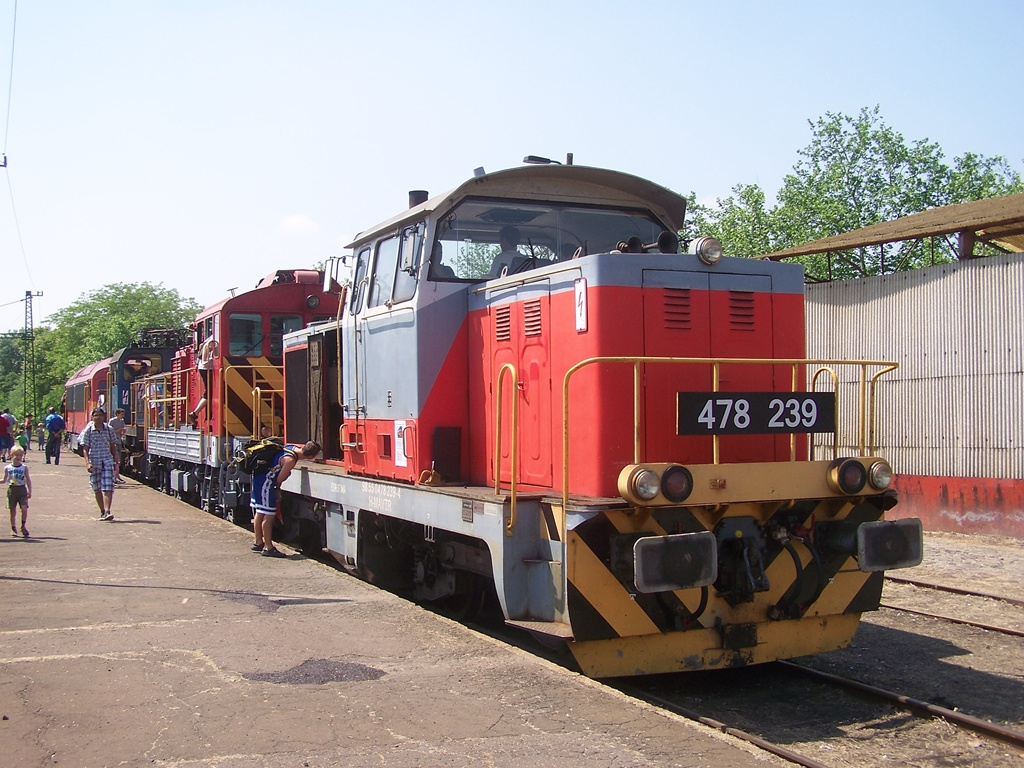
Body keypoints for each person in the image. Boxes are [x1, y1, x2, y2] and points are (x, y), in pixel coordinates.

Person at [250, 440, 321, 558]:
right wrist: (282, 483)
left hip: (258, 480)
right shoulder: (290, 461)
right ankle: (268, 547)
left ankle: (258, 541)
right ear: (310, 456)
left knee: (260, 511)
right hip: (266, 485)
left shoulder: (291, 447)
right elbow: (279, 479)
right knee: (269, 515)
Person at [80, 407, 119, 521]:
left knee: (108, 485)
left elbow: (112, 445)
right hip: (94, 461)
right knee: (97, 487)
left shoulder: (109, 429)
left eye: (100, 415)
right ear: (92, 417)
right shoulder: (88, 430)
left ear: (103, 417)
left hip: (106, 460)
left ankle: (107, 511)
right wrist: (87, 463)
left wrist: (115, 459)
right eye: (96, 415)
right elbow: (85, 448)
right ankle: (102, 511)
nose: (98, 417)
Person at [3, 446, 32, 537]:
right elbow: (4, 480)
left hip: (22, 489)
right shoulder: (8, 468)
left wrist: (30, 491)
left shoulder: (24, 467)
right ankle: (13, 528)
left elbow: (28, 479)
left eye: (20, 455)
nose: (18, 457)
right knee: (12, 510)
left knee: (24, 508)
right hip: (12, 490)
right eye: (16, 455)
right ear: (11, 455)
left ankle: (23, 526)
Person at [189, 336, 218, 425]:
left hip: (207, 370)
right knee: (208, 392)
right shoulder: (210, 342)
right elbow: (205, 362)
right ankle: (195, 413)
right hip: (205, 370)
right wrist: (214, 360)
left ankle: (195, 413)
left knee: (209, 392)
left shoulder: (212, 342)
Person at [108, 408, 127, 483]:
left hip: (119, 441)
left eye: (123, 414)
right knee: (115, 459)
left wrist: (123, 431)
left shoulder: (122, 421)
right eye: (121, 414)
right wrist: (117, 431)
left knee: (118, 459)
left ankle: (117, 476)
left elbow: (123, 429)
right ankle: (114, 477)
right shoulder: (112, 421)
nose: (122, 416)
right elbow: (109, 431)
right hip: (113, 442)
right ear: (117, 414)